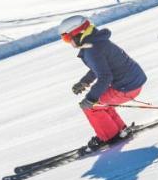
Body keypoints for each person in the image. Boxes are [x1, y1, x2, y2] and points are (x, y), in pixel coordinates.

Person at [59, 15, 148, 150]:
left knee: (91, 106)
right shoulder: (96, 42)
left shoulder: (92, 49)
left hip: (126, 87)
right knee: (101, 103)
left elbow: (105, 76)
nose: (68, 42)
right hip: (132, 81)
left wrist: (90, 99)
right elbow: (101, 68)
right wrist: (84, 82)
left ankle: (110, 137)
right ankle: (119, 131)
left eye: (66, 38)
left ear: (77, 33)